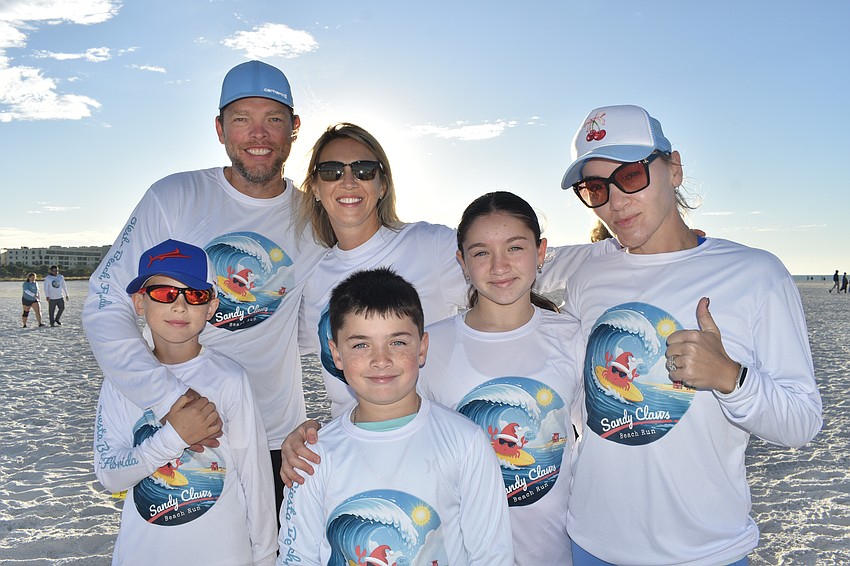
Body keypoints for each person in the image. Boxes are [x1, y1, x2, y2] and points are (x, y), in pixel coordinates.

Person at [560, 104, 823, 565]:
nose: (614, 202)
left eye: (631, 176)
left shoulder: (755, 274)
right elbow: (513, 260)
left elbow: (801, 422)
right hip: (592, 542)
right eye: (596, 188)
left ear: (674, 169)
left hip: (706, 551)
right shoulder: (587, 274)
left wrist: (730, 378)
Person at [82, 60, 326, 517]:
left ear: (294, 128)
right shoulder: (174, 197)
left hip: (277, 435)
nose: (258, 134)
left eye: (273, 119)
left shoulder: (315, 218)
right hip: (176, 430)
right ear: (219, 129)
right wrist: (168, 399)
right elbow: (104, 301)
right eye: (242, 119)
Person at [276, 268, 514, 565]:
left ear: (422, 348)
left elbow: (492, 555)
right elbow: (297, 557)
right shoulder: (312, 456)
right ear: (336, 355)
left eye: (397, 342)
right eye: (361, 345)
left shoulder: (466, 442)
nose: (381, 360)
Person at [418, 191, 584, 565]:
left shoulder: (571, 337)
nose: (499, 266)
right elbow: (392, 433)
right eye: (481, 253)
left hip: (555, 553)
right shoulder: (431, 345)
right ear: (462, 262)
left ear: (540, 252)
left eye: (514, 248)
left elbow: (597, 447)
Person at [94, 239, 276, 565]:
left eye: (194, 295)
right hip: (142, 555)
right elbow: (110, 475)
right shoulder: (120, 381)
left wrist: (264, 556)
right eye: (164, 293)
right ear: (139, 302)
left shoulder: (230, 378)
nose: (179, 306)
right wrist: (174, 437)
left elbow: (256, 478)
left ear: (211, 306)